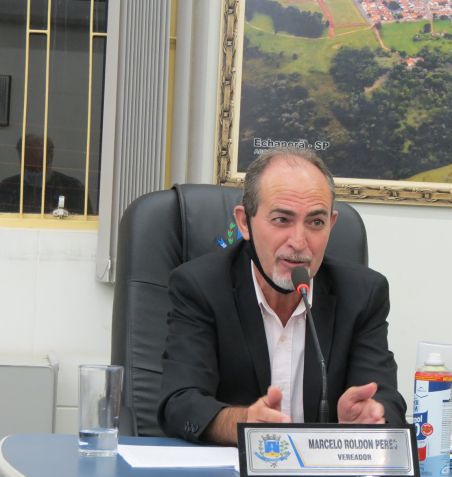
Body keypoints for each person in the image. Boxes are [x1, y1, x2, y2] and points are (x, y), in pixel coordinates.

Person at [158, 148, 406, 445]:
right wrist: (243, 423)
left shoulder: (363, 294)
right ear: (244, 222)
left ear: (331, 224)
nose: (299, 242)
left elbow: (386, 399)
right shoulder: (201, 287)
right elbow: (180, 402)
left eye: (316, 222)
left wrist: (371, 417)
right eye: (281, 220)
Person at [0, 134, 88, 214]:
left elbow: (85, 222)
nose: (35, 172)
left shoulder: (73, 188)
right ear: (20, 160)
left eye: (40, 167)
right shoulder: (6, 188)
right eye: (29, 167)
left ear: (51, 158)